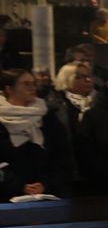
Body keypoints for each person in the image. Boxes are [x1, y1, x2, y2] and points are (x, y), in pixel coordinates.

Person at [0, 68, 69, 198]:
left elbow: (62, 156)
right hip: (6, 195)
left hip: (47, 193)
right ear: (9, 89)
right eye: (26, 84)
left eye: (33, 84)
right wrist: (19, 186)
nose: (32, 88)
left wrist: (45, 184)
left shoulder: (47, 116)